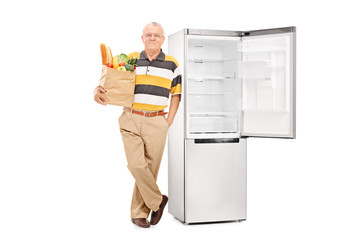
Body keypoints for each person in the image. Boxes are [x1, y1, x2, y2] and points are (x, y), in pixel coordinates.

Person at [93, 22, 181, 228]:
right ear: (142, 38)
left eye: (156, 35)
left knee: (149, 168)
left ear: (163, 39)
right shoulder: (131, 59)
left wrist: (168, 122)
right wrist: (97, 90)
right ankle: (158, 201)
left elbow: (176, 94)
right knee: (136, 165)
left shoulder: (172, 64)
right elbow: (110, 80)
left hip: (157, 121)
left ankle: (138, 213)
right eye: (148, 34)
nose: (152, 38)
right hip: (130, 118)